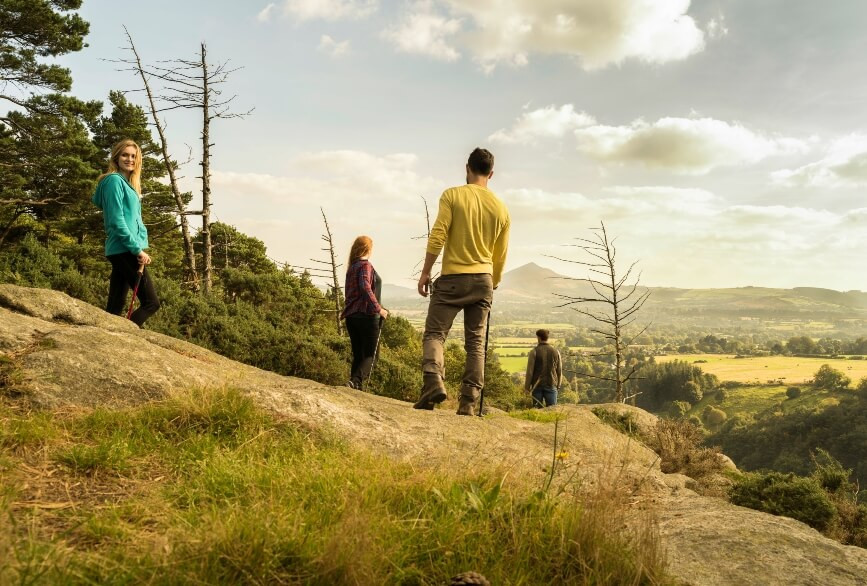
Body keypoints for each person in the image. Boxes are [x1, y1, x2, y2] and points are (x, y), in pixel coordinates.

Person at [414, 148, 510, 416]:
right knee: (475, 343)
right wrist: (495, 281)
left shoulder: (452, 195)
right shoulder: (501, 209)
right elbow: (500, 254)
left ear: (467, 167)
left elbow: (438, 235)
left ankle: (433, 383)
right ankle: (468, 402)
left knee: (435, 334)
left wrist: (425, 272)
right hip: (483, 279)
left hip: (453, 278)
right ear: (491, 173)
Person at [91, 139, 160, 327]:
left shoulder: (127, 184)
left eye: (133, 156)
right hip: (125, 249)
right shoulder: (114, 181)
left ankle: (104, 338)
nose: (129, 159)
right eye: (125, 155)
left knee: (115, 306)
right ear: (116, 157)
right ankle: (127, 335)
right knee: (151, 303)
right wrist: (137, 250)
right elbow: (117, 221)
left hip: (121, 249)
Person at [341, 235, 388, 390]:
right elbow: (365, 287)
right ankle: (356, 382)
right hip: (367, 317)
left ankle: (353, 385)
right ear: (369, 249)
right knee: (371, 356)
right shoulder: (365, 266)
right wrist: (379, 309)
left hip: (352, 317)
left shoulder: (352, 267)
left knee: (358, 356)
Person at [525, 329, 562, 408]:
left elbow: (530, 372)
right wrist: (558, 385)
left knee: (537, 409)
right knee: (552, 410)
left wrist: (527, 388)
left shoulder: (534, 351)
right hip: (551, 384)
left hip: (536, 386)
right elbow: (559, 371)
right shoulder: (556, 351)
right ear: (547, 338)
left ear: (538, 337)